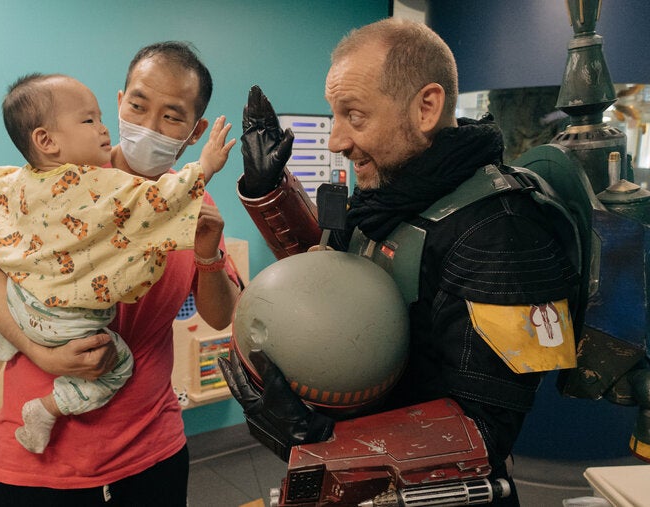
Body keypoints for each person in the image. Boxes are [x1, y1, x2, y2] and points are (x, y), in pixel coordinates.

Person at [220, 18, 581, 506]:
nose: (336, 140)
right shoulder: (392, 194)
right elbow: (331, 275)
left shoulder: (499, 231)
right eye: (335, 115)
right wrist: (270, 193)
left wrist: (322, 441)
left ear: (427, 107)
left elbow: (486, 431)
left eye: (355, 115)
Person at [0, 42, 242, 505]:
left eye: (171, 117)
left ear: (194, 134)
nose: (148, 125)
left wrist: (208, 255)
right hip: (40, 461)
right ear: (118, 103)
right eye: (137, 105)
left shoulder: (192, 203)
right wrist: (42, 353)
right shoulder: (59, 183)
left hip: (151, 449)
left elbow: (220, 316)